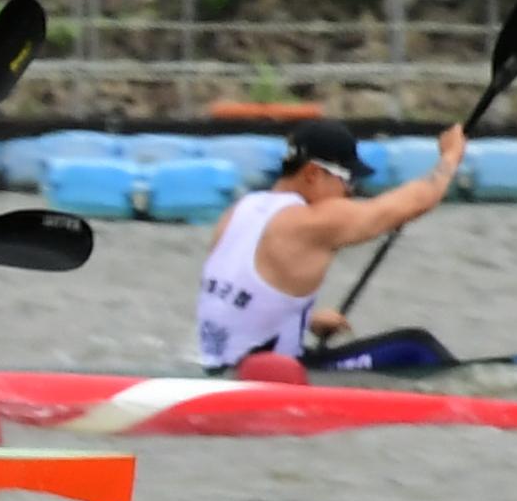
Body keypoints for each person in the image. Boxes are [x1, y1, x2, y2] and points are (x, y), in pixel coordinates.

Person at [193, 117, 466, 372]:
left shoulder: (237, 212)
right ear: (312, 173)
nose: (350, 191)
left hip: (218, 370)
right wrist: (450, 157)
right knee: (416, 348)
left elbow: (240, 304)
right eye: (347, 179)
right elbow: (415, 202)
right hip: (270, 379)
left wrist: (305, 320)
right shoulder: (312, 220)